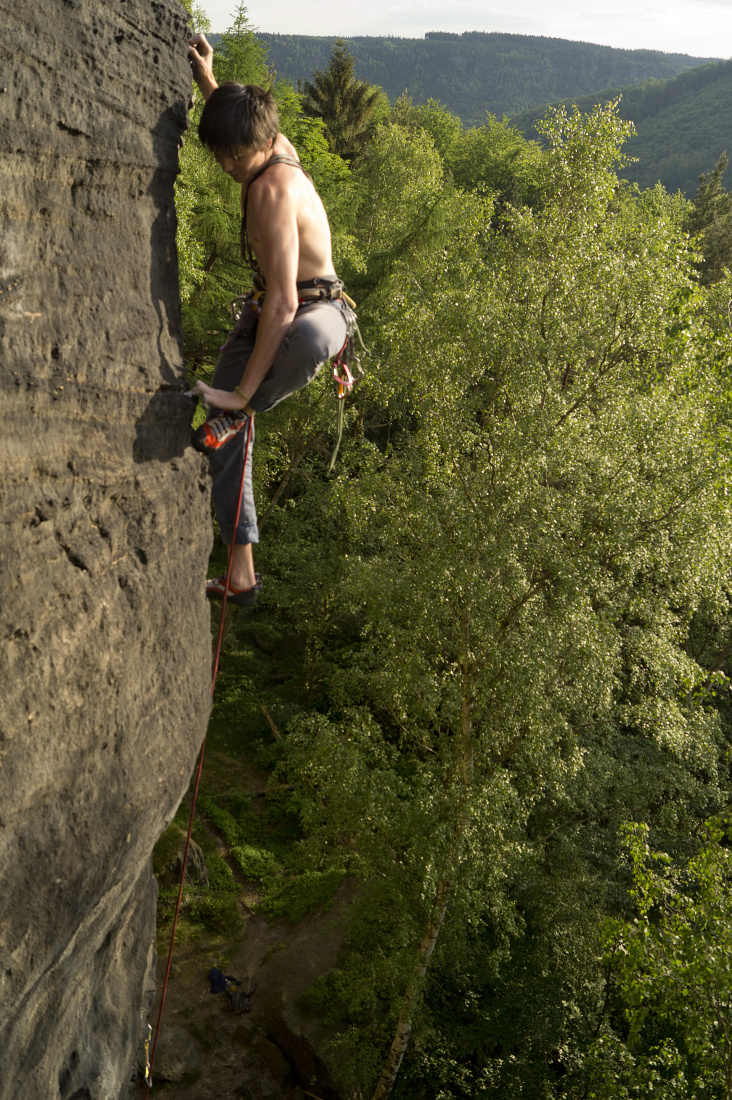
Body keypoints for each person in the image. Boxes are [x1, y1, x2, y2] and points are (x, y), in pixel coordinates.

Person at [186, 33, 349, 606]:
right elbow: (244, 121)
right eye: (221, 155)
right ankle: (240, 576)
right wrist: (212, 83)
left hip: (319, 313)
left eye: (234, 156)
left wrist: (242, 399)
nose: (228, 165)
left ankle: (239, 410)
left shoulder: (273, 191)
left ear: (258, 147)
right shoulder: (266, 137)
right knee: (221, 437)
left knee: (302, 341)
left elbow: (285, 304)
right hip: (266, 312)